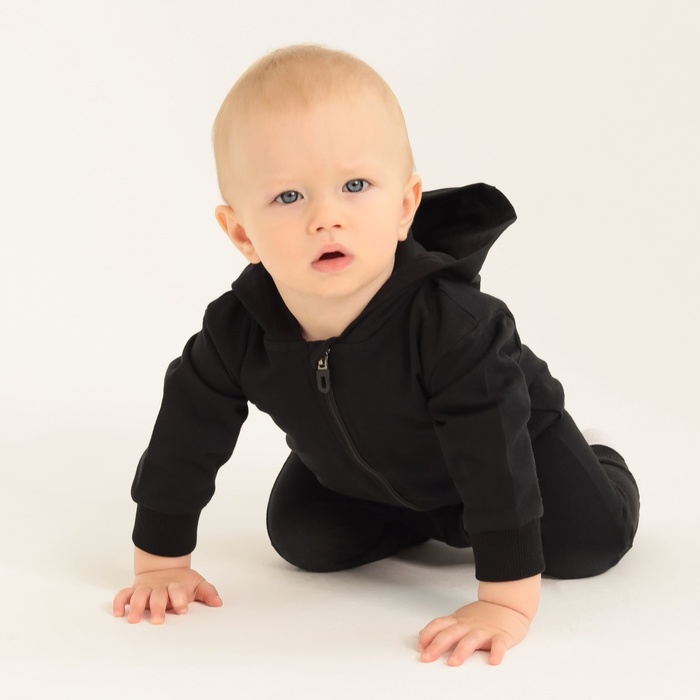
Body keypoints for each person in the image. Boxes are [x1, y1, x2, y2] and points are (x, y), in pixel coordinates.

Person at [112, 44, 640, 666]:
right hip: (365, 473)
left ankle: (597, 458)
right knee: (304, 540)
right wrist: (161, 563)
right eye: (289, 197)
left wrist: (504, 601)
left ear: (405, 206)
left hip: (513, 445)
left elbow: (492, 451)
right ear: (242, 232)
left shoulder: (454, 326)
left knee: (587, 545)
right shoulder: (238, 329)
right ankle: (432, 522)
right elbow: (186, 434)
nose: (326, 217)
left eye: (355, 186)